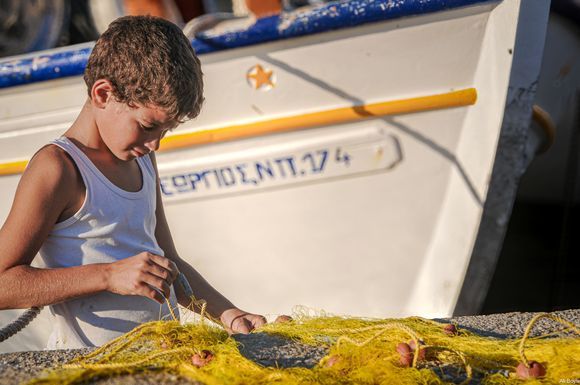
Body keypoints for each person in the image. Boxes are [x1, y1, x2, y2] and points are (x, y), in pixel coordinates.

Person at [0, 15, 266, 349]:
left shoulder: (142, 159)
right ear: (103, 94)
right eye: (147, 126)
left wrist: (228, 314)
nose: (155, 144)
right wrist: (109, 275)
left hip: (157, 358)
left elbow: (171, 263)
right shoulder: (59, 168)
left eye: (165, 132)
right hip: (91, 365)